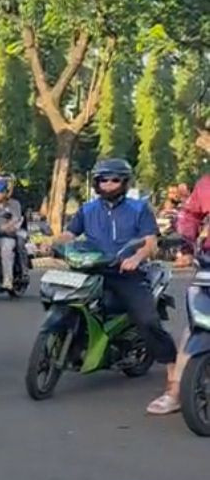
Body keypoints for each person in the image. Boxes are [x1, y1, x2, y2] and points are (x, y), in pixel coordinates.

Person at [54, 158, 180, 415]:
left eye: (114, 179)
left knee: (147, 320)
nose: (108, 184)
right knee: (62, 300)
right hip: (90, 268)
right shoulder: (87, 210)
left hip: (126, 273)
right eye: (103, 179)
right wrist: (57, 243)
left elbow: (150, 242)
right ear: (96, 183)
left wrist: (135, 258)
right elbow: (69, 234)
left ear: (124, 182)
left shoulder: (139, 208)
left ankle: (173, 374)